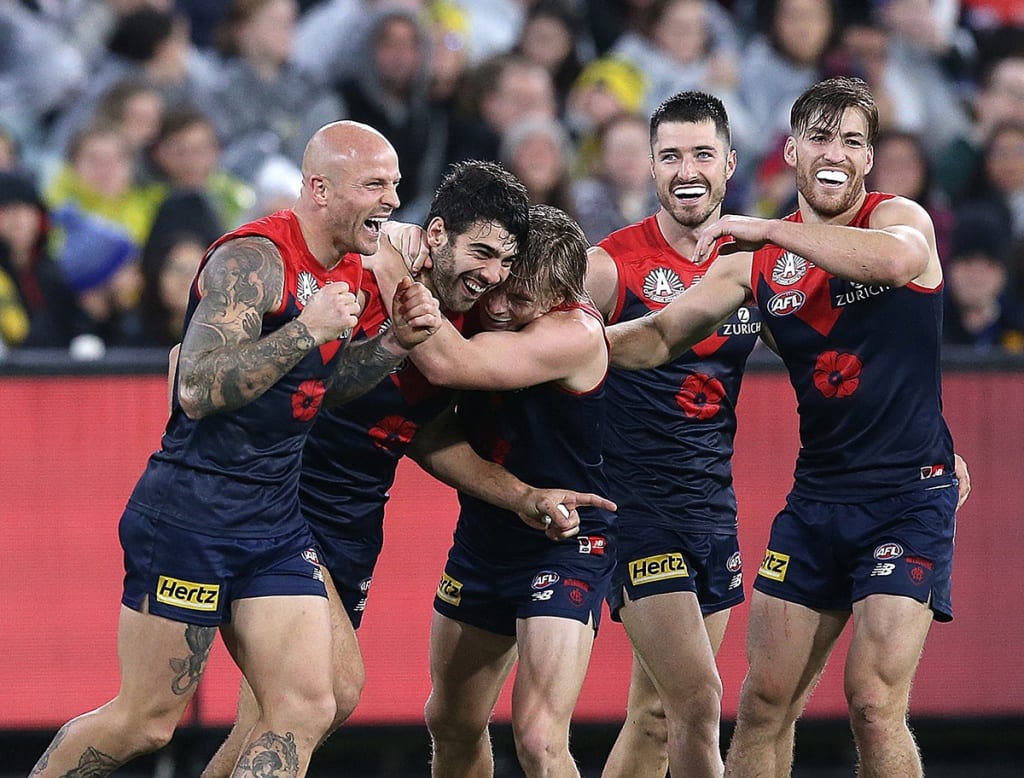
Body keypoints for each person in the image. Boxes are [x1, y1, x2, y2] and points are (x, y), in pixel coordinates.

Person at [29, 120, 442, 778]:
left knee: (310, 706)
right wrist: (306, 328)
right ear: (320, 189)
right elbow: (195, 386)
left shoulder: (352, 272)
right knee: (146, 722)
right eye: (374, 185)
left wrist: (393, 344)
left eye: (394, 184)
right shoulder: (253, 259)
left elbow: (320, 390)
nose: (392, 201)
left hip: (274, 520)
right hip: (192, 513)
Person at [606, 76, 971, 776]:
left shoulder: (900, 221)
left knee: (870, 703)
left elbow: (895, 264)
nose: (837, 153)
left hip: (907, 500)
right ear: (793, 149)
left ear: (869, 161)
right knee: (764, 703)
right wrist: (546, 351)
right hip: (816, 504)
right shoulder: (755, 271)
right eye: (823, 137)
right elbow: (653, 338)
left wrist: (771, 227)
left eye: (855, 142)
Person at [200, 163, 611, 777]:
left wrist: (520, 492)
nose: (496, 291)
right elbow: (243, 338)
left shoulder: (483, 315)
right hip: (282, 508)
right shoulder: (365, 274)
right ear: (441, 235)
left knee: (280, 714)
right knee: (313, 700)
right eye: (486, 261)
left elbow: (429, 419)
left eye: (509, 274)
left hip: (355, 523)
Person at [375, 204, 616, 778]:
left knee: (537, 737)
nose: (501, 306)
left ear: (558, 294)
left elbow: (446, 365)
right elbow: (426, 428)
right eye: (500, 288)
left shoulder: (572, 332)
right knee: (452, 722)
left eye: (522, 299)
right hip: (487, 535)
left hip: (568, 540)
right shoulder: (479, 304)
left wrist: (389, 262)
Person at [588, 91, 763, 778]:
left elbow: (826, 355)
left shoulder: (754, 264)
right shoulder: (609, 265)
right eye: (669, 156)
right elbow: (546, 353)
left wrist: (925, 438)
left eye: (700, 153)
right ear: (652, 169)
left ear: (729, 163)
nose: (685, 169)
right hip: (636, 514)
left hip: (712, 508)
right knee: (700, 701)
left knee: (657, 716)